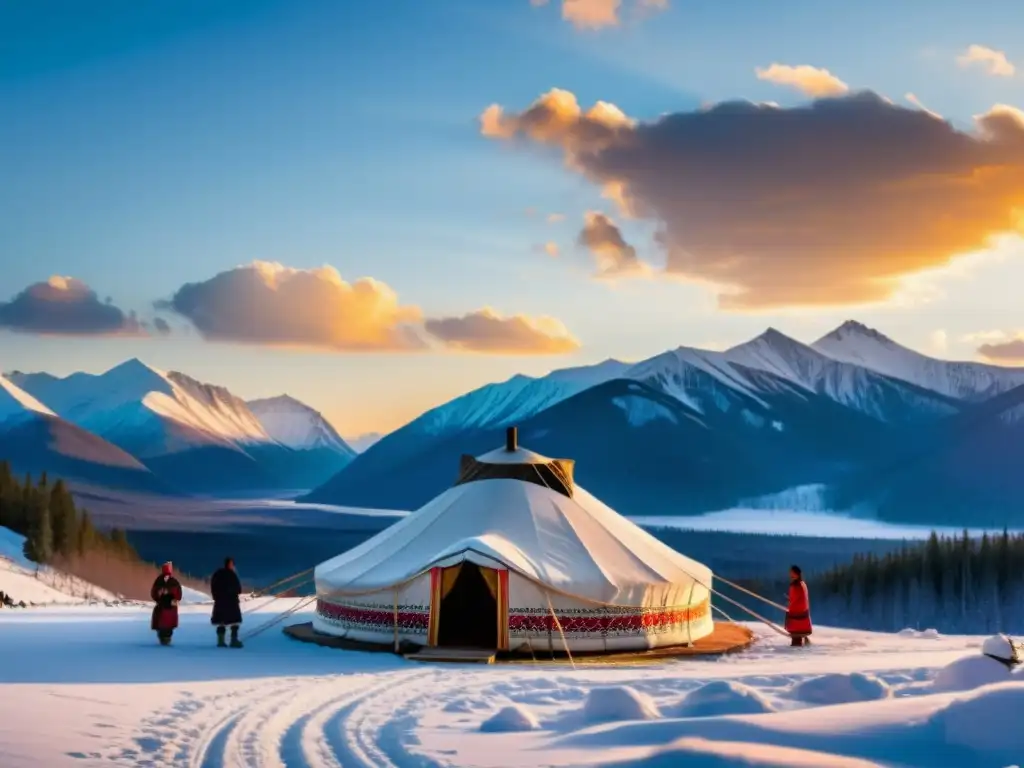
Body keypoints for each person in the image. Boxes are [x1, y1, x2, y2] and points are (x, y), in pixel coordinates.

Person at [210, 556, 243, 648]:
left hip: (220, 602)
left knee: (221, 622)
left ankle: (221, 641)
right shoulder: (232, 575)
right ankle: (234, 640)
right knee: (234, 622)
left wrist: (216, 597)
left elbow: (213, 586)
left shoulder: (218, 574)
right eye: (232, 564)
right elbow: (238, 589)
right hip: (231, 602)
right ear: (229, 564)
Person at [151, 562, 182, 646]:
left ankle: (164, 639)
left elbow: (154, 593)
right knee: (166, 626)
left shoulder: (161, 581)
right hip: (166, 607)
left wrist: (162, 593)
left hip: (166, 607)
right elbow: (179, 595)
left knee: (165, 626)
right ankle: (165, 640)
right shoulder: (173, 581)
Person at [785, 564, 812, 647]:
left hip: (796, 620)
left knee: (796, 642)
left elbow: (793, 601)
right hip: (804, 619)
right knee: (799, 639)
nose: (790, 575)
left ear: (796, 574)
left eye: (792, 573)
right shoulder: (803, 584)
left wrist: (789, 604)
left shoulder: (795, 586)